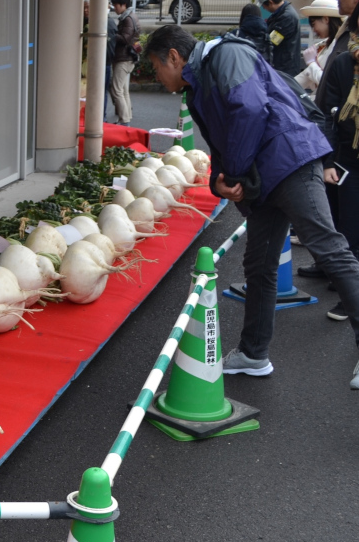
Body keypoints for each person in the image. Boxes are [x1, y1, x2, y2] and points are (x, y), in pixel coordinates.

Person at [143, 25, 359, 389]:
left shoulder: (226, 54)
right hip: (264, 176)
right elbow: (222, 141)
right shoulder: (199, 81)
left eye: (156, 66)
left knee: (330, 250)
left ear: (174, 57)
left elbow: (250, 108)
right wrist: (221, 180)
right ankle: (254, 353)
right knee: (259, 264)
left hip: (288, 161)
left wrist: (238, 175)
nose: (157, 75)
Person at [297, 0, 358, 276]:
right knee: (339, 216)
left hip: (345, 145)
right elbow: (331, 103)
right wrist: (329, 159)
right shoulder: (342, 53)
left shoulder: (344, 47)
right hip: (340, 145)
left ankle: (347, 284)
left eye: (315, 21)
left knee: (350, 222)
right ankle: (333, 269)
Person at [295, 0, 344, 97]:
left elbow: (329, 82)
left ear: (326, 19)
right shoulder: (325, 44)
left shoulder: (341, 45)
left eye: (314, 25)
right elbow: (306, 76)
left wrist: (311, 63)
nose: (314, 30)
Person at [109, 0, 140, 126]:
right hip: (128, 57)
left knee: (116, 90)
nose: (114, 7)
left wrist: (111, 34)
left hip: (124, 58)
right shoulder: (131, 16)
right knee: (123, 90)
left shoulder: (127, 19)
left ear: (123, 5)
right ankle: (127, 117)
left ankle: (124, 120)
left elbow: (126, 38)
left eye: (115, 5)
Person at [259, 0, 304, 76]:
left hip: (285, 67)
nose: (264, 9)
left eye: (264, 6)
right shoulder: (281, 14)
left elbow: (273, 41)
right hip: (283, 64)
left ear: (271, 2)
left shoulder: (286, 17)